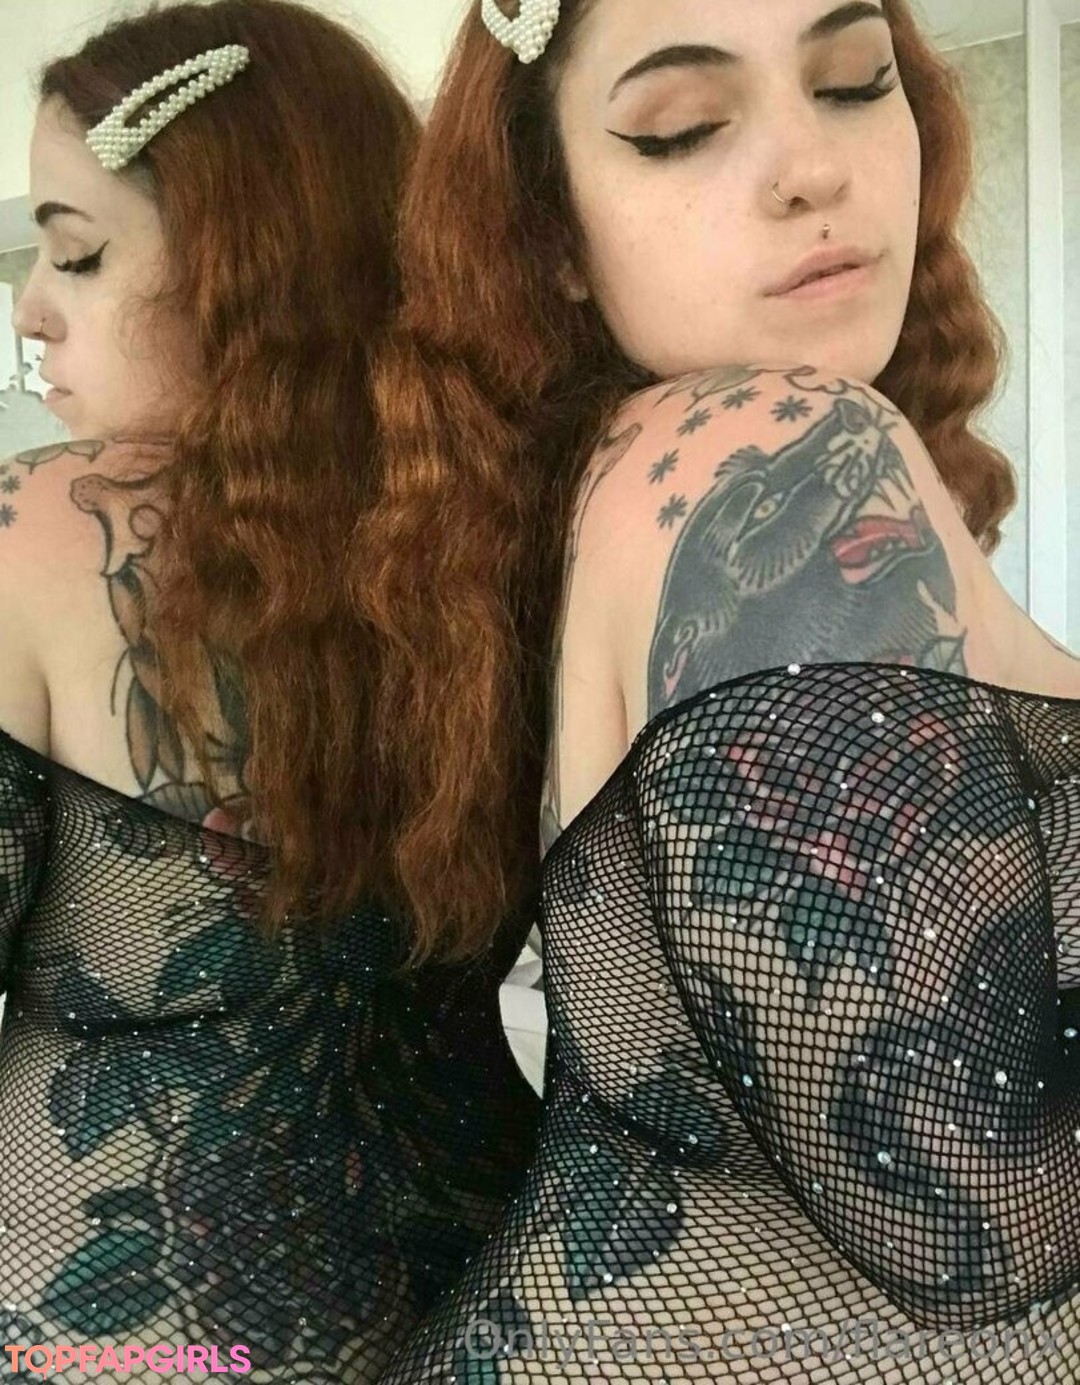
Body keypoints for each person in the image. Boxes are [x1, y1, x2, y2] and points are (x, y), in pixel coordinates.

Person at [361, 0, 1080, 1379]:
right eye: (683, 127)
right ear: (552, 237)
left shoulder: (628, 471)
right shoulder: (777, 442)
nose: (812, 165)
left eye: (855, 81)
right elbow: (973, 1209)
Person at [0, 1, 539, 1378]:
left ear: (242, 262)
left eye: (76, 250)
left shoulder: (39, 527)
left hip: (127, 1348)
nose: (32, 312)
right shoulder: (507, 533)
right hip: (480, 1301)